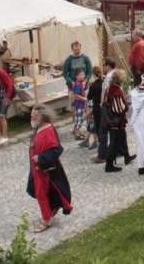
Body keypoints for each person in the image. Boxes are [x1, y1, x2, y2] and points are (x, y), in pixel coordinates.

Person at [27, 104, 73, 233]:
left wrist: (40, 158)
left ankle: (46, 221)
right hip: (36, 169)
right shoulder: (38, 127)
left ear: (41, 117)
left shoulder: (48, 130)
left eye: (34, 115)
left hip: (44, 170)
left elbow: (56, 150)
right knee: (37, 191)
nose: (31, 117)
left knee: (41, 193)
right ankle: (52, 207)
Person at [103, 68, 136, 173]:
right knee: (114, 142)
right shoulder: (116, 91)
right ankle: (109, 165)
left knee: (122, 138)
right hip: (116, 121)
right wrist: (126, 106)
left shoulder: (111, 88)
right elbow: (119, 109)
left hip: (116, 121)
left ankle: (127, 156)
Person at [91, 58, 116, 164]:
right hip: (113, 104)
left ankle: (102, 155)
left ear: (108, 66)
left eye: (104, 65)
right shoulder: (115, 74)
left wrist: (102, 103)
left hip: (107, 105)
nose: (104, 67)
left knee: (103, 130)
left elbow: (105, 92)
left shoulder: (109, 77)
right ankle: (118, 151)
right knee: (114, 130)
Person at [79, 66, 103, 150]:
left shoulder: (94, 86)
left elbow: (89, 97)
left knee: (95, 126)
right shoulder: (103, 82)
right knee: (95, 126)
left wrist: (86, 114)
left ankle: (97, 143)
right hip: (103, 108)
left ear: (93, 74)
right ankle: (88, 140)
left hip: (96, 110)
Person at [71, 70, 87, 140]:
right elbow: (76, 95)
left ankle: (77, 132)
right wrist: (84, 99)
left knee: (79, 119)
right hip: (79, 105)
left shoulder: (79, 83)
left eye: (83, 74)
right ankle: (77, 134)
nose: (83, 76)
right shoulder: (77, 84)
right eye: (81, 74)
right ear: (77, 76)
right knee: (80, 119)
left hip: (81, 104)